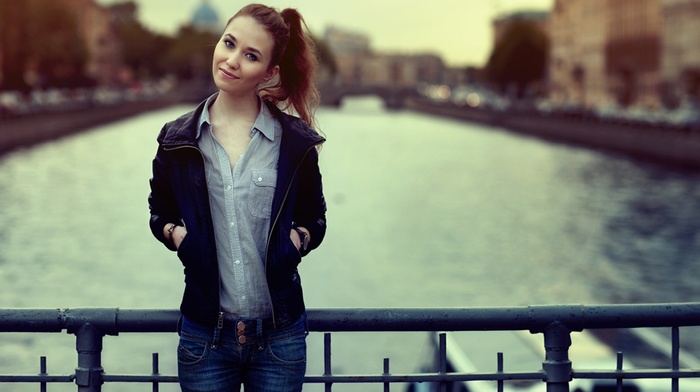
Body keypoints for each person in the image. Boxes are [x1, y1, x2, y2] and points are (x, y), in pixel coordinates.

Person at [147, 4, 326, 391]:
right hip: (204, 340)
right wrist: (177, 237)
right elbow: (159, 210)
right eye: (229, 43)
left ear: (270, 72)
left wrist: (298, 242)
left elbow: (315, 217)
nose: (231, 60)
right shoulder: (177, 140)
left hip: (279, 339)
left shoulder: (294, 144)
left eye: (251, 55)